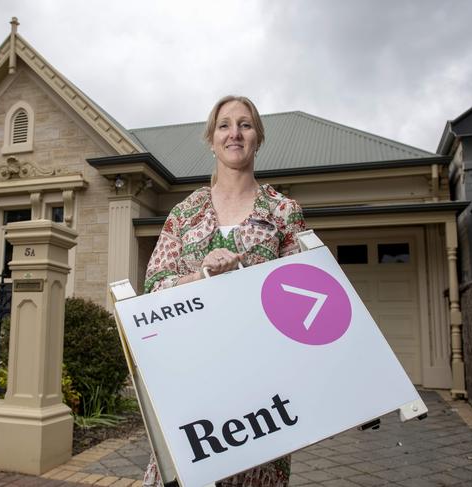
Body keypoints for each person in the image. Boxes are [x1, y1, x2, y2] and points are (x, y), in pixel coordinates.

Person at [142, 95, 306, 487]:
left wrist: (244, 271)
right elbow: (153, 288)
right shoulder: (184, 213)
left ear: (258, 138)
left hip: (261, 385)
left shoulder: (283, 211)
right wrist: (202, 276)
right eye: (224, 125)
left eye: (245, 125)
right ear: (212, 139)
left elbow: (301, 295)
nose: (235, 133)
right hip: (193, 377)